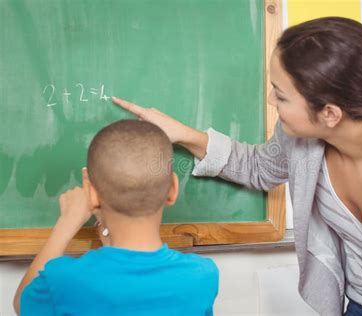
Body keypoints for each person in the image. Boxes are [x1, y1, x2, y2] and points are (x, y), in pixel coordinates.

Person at [112, 17, 362, 315]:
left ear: (330, 113)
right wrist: (182, 134)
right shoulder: (299, 137)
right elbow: (257, 167)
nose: (271, 99)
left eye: (281, 95)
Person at [14, 120, 219, 315]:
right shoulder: (203, 276)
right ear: (173, 189)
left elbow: (22, 304)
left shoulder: (63, 281)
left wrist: (68, 221)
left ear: (91, 194)